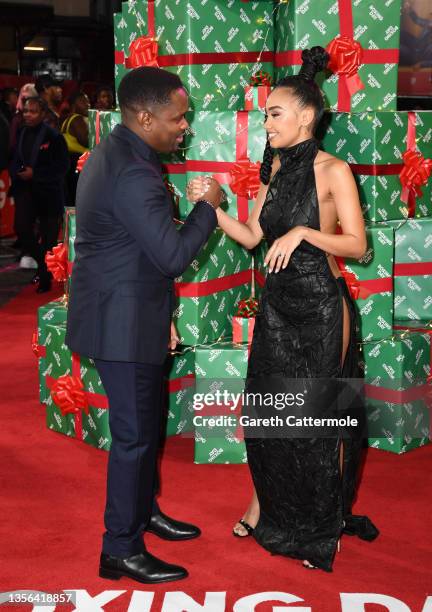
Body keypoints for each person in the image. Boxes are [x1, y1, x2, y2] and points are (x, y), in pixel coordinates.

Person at [187, 46, 379, 572]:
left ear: (306, 117)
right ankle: (263, 505)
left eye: (274, 112)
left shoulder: (334, 170)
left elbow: (358, 246)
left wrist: (303, 231)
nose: (265, 120)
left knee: (320, 420)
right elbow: (253, 237)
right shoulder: (274, 172)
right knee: (268, 416)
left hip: (321, 308)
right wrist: (214, 206)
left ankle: (322, 528)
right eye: (266, 112)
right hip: (276, 309)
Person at [65, 67, 222, 584]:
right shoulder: (132, 170)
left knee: (147, 429)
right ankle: (120, 548)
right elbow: (173, 255)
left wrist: (166, 315)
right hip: (122, 325)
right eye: (179, 119)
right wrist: (208, 207)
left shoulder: (121, 154)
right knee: (133, 438)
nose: (185, 127)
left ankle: (142, 512)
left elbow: (137, 250)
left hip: (132, 315)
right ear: (145, 116)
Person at [9, 97, 69, 293]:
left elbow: (62, 167)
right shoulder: (21, 132)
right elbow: (15, 157)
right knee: (22, 230)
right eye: (25, 111)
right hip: (26, 191)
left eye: (33, 111)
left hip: (49, 194)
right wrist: (17, 171)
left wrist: (36, 174)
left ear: (43, 114)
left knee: (49, 240)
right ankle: (43, 266)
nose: (28, 115)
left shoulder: (54, 137)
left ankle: (44, 277)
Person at [61, 91, 90, 204]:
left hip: (70, 163)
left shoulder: (67, 119)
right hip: (78, 163)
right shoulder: (77, 119)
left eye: (88, 101)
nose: (87, 104)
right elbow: (86, 141)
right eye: (83, 102)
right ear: (73, 105)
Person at [10, 83, 38, 150]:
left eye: (28, 99)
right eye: (23, 99)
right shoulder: (17, 119)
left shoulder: (41, 117)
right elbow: (12, 145)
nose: (26, 102)